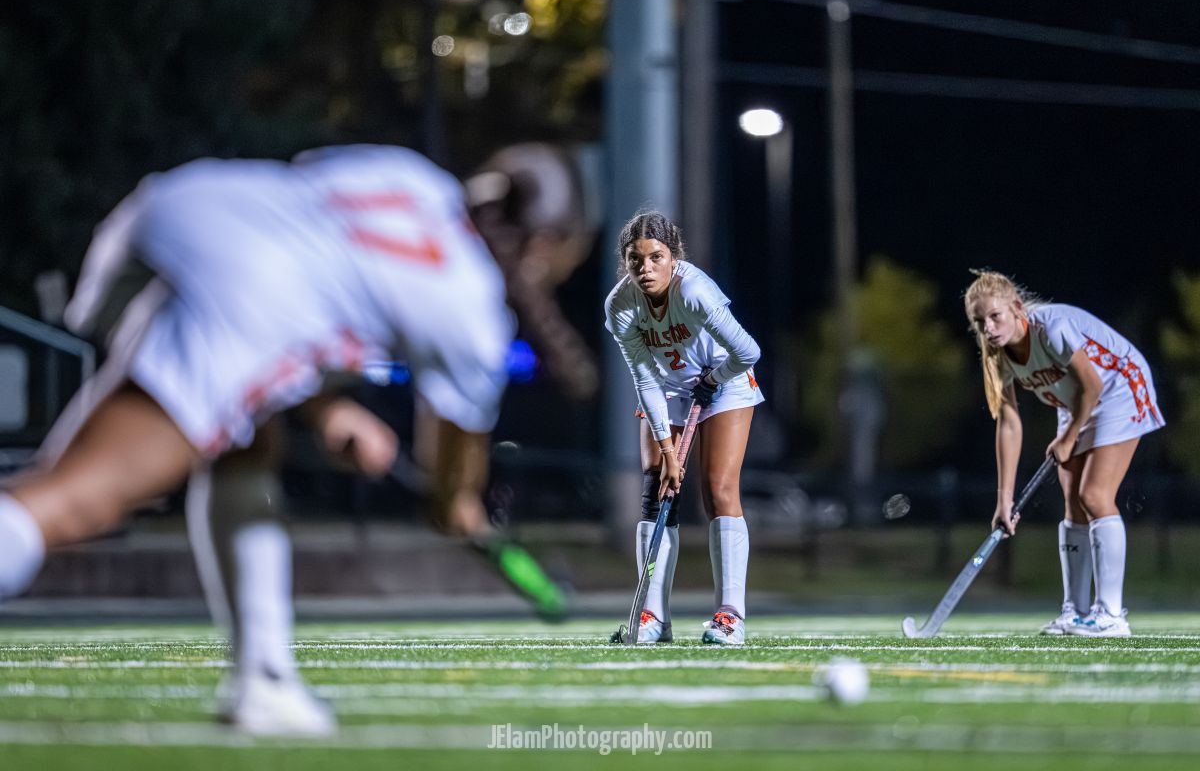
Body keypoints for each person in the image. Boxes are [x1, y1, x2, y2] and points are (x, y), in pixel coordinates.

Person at [0, 142, 588, 735]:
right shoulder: (474, 315)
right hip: (247, 291)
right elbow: (452, 486)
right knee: (76, 501)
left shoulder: (415, 177)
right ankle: (265, 682)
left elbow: (304, 235)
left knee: (243, 444)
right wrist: (460, 512)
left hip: (172, 205)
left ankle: (264, 679)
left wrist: (327, 411)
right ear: (547, 245)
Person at [964, 270, 1164, 638]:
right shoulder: (997, 358)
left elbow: (1093, 384)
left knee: (1094, 496)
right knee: (1073, 504)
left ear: (1017, 308)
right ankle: (1077, 612)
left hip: (1118, 386)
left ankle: (1112, 616)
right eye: (980, 322)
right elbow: (1008, 424)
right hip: (1075, 403)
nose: (989, 328)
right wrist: (1004, 501)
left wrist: (1070, 436)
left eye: (995, 316)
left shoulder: (1050, 329)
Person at [604, 211, 763, 645]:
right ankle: (653, 617)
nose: (646, 268)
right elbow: (644, 380)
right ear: (626, 263)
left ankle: (730, 617)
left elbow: (748, 351)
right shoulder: (620, 306)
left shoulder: (694, 291)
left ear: (674, 259)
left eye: (656, 257)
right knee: (656, 488)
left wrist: (712, 379)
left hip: (724, 379)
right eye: (636, 260)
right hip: (666, 389)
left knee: (718, 490)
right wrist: (670, 455)